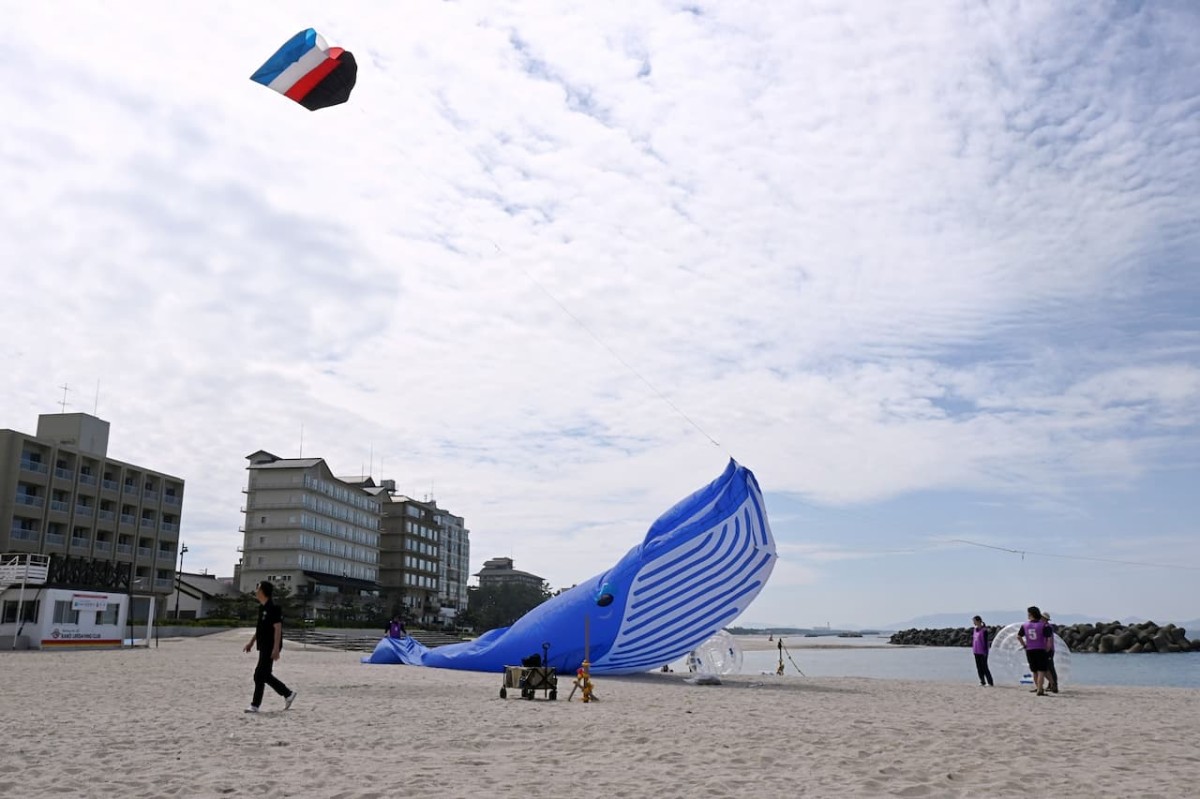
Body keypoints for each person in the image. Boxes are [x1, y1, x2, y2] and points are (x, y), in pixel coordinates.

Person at [243, 581, 298, 713]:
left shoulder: (273, 608)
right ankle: (288, 694)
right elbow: (260, 629)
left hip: (270, 645)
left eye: (257, 589)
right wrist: (251, 642)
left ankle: (255, 705)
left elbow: (278, 629)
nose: (256, 591)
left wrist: (275, 648)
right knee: (264, 675)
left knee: (259, 674)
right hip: (263, 645)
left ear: (262, 591)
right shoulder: (262, 608)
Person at [1016, 605, 1051, 696]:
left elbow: (1018, 636)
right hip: (1040, 649)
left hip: (1030, 649)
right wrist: (1048, 648)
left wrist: (1024, 645)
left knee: (1034, 671)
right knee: (1041, 671)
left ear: (1031, 614)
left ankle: (1038, 687)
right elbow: (1048, 638)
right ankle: (1040, 689)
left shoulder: (1025, 625)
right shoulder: (1043, 625)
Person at [971, 615, 994, 686]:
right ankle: (982, 681)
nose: (973, 622)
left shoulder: (984, 630)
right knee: (979, 667)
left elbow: (985, 642)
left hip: (983, 652)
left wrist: (985, 652)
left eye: (974, 621)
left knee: (984, 667)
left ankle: (990, 682)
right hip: (976, 651)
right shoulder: (975, 630)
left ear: (978, 621)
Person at [1043, 611, 1059, 694]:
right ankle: (1051, 684)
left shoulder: (1047, 627)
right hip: (1048, 649)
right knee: (1048, 668)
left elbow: (1049, 640)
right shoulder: (1045, 626)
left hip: (1049, 650)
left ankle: (1054, 684)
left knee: (1050, 668)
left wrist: (1047, 649)